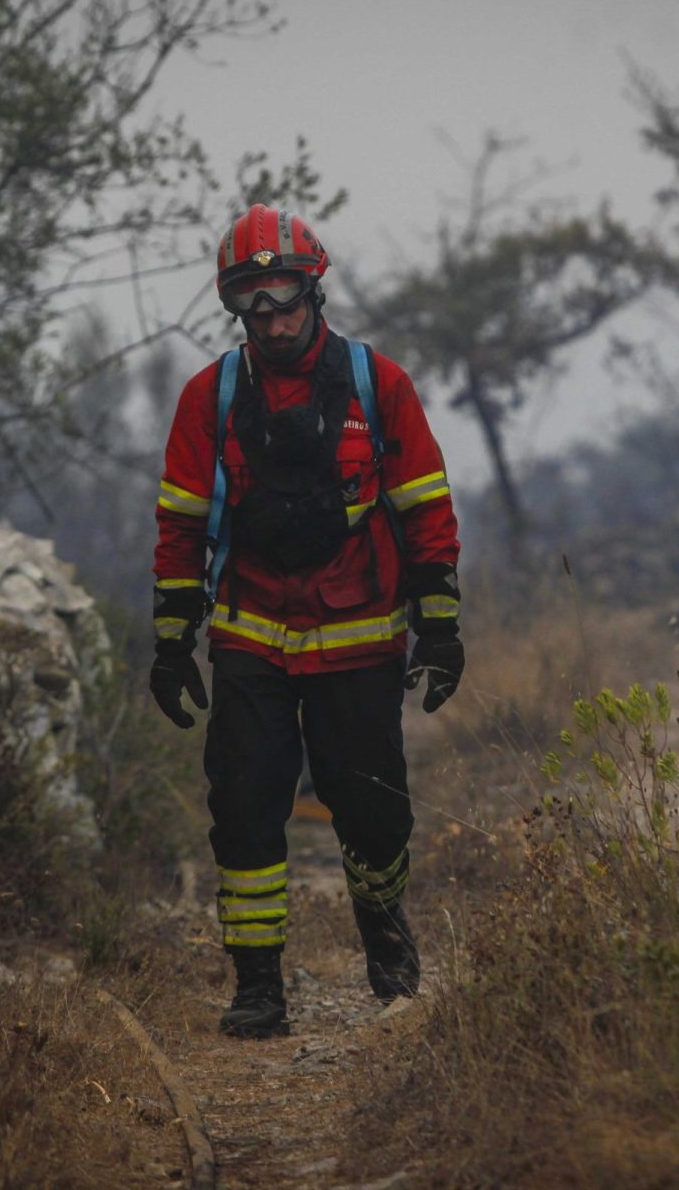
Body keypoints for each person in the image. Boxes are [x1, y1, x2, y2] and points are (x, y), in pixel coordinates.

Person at [149, 204, 464, 1039]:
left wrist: (439, 622)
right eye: (251, 299)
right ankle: (258, 989)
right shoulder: (208, 398)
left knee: (371, 810)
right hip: (250, 633)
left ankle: (390, 952)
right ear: (234, 307)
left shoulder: (377, 385)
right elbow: (182, 524)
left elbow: (426, 504)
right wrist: (172, 640)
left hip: (360, 633)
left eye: (283, 292)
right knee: (245, 807)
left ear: (315, 289)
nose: (271, 314)